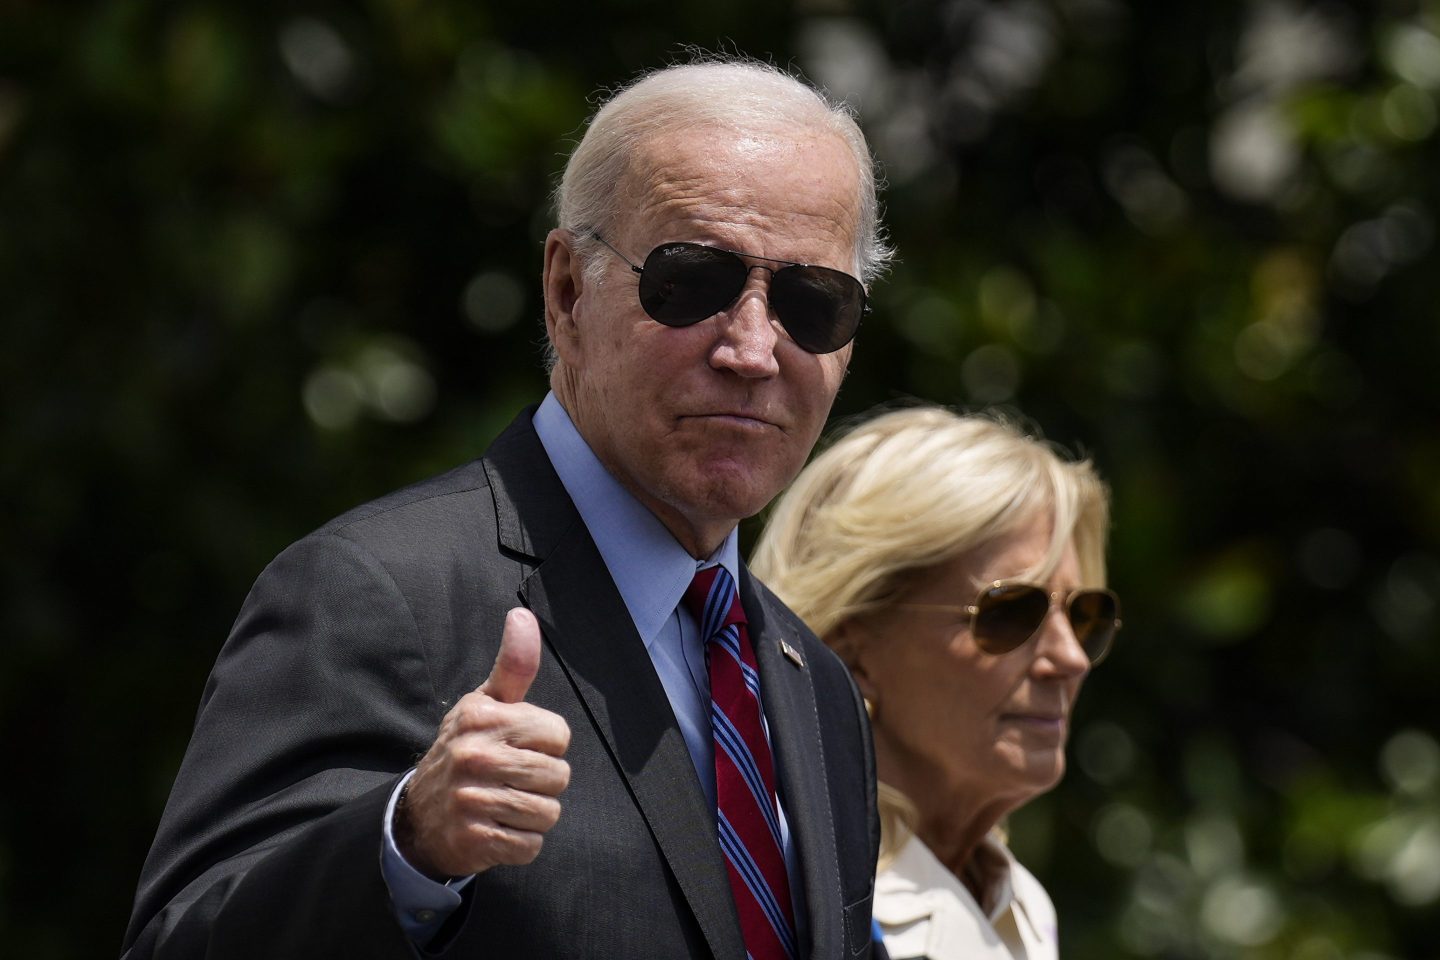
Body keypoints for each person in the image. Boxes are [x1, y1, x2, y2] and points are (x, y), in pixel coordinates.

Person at [122, 57, 892, 960]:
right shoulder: (381, 594)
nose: (754, 349)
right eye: (694, 282)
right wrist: (405, 845)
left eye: (812, 301)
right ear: (568, 292)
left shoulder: (814, 686)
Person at [750, 406, 1120, 960]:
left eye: (1085, 615)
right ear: (852, 649)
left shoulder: (1023, 907)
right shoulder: (788, 910)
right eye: (1012, 613)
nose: (1070, 659)